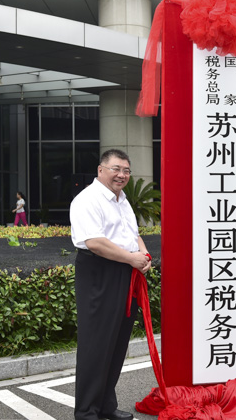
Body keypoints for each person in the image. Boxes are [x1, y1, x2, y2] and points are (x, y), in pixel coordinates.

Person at [70, 149, 152, 420]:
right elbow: (95, 242)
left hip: (125, 271)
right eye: (116, 169)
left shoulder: (122, 200)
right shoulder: (88, 199)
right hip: (99, 272)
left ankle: (106, 404)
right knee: (96, 344)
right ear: (101, 170)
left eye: (126, 171)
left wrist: (143, 255)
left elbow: (132, 234)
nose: (122, 175)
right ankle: (86, 412)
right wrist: (132, 258)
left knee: (116, 342)